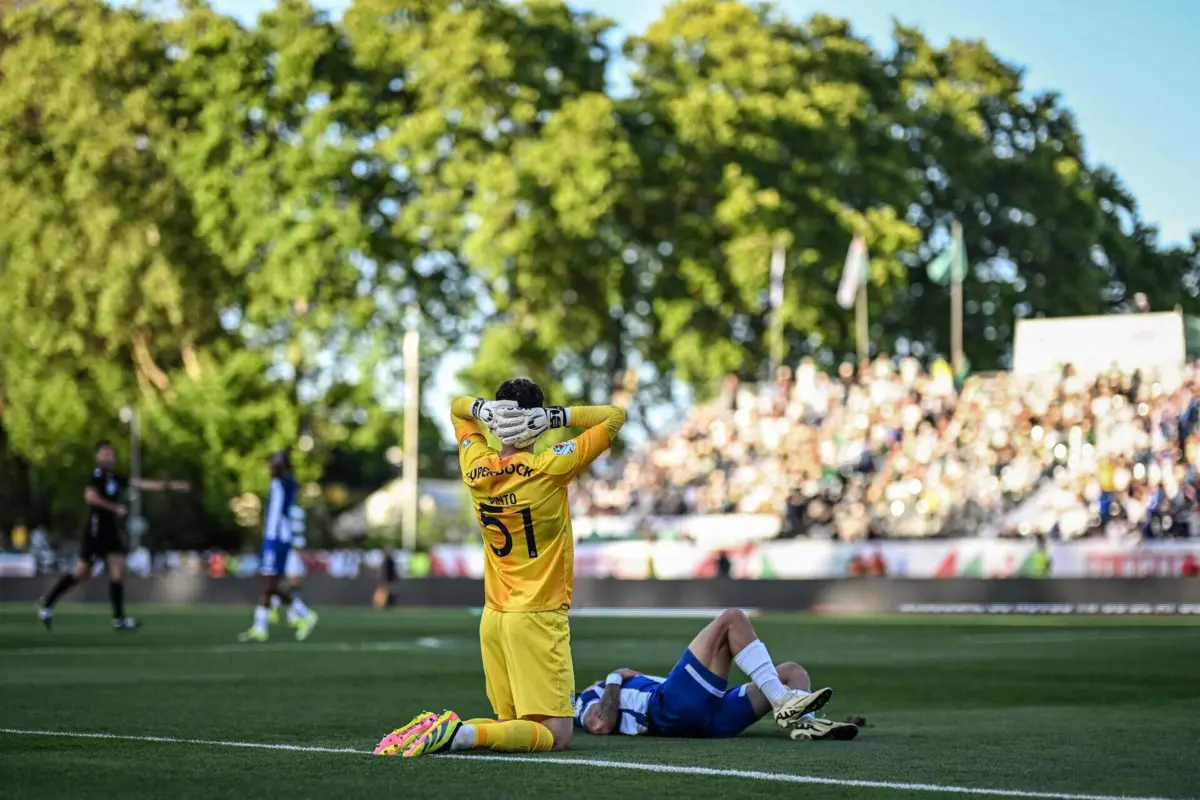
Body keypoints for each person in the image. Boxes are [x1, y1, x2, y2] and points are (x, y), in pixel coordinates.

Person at [376, 379, 625, 758]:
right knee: (556, 734)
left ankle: (448, 731)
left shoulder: (474, 465)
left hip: (494, 616)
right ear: (536, 419)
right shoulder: (549, 468)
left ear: (498, 416)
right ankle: (457, 733)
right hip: (537, 615)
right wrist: (557, 416)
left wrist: (479, 410)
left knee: (516, 726)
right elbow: (613, 417)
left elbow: (457, 410)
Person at [574, 609, 852, 742]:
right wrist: (613, 678)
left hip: (708, 716)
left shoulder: (599, 692)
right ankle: (782, 702)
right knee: (732, 619)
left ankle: (805, 724)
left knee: (792, 672)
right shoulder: (582, 701)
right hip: (668, 709)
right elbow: (601, 725)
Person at [37, 440, 189, 631]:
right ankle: (48, 602)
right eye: (105, 453)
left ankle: (119, 619)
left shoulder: (114, 478)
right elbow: (90, 497)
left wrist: (170, 486)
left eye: (111, 453)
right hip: (96, 529)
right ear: (97, 457)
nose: (110, 457)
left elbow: (140, 483)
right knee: (82, 571)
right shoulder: (97, 476)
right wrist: (114, 507)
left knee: (119, 570)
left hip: (110, 530)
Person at [239, 450, 318, 642]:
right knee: (267, 585)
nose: (271, 467)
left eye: (275, 463)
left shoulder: (286, 483)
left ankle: (304, 614)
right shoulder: (275, 484)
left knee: (269, 583)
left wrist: (279, 464)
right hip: (272, 538)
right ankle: (260, 627)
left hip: (278, 540)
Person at [269, 505, 307, 624]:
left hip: (292, 552)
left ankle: (291, 613)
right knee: (293, 582)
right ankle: (275, 603)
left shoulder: (287, 511)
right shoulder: (292, 512)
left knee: (295, 585)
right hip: (291, 553)